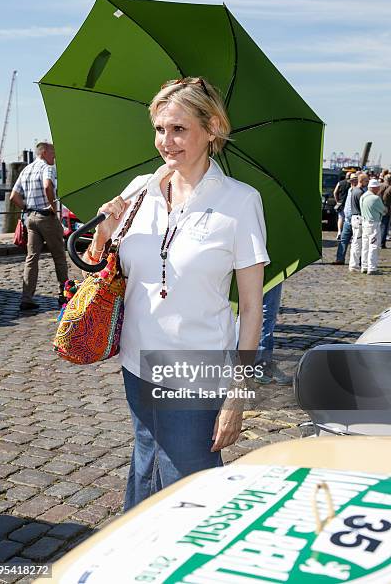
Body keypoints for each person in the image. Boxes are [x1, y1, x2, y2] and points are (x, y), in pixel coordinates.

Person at [82, 77, 270, 510]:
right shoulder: (137, 190)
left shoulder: (240, 202)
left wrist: (238, 397)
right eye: (160, 128)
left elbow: (253, 310)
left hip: (195, 367)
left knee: (191, 488)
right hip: (136, 361)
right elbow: (101, 267)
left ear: (213, 129)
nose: (167, 141)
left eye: (180, 129)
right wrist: (103, 234)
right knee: (145, 466)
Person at [10, 142, 68, 310]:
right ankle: (64, 295)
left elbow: (13, 196)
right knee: (59, 256)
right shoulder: (47, 167)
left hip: (31, 218)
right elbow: (47, 185)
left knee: (31, 258)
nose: (54, 156)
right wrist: (53, 207)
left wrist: (27, 208)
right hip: (46, 217)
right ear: (43, 152)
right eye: (52, 152)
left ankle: (26, 297)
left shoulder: (26, 170)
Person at [360, 178, 386, 274]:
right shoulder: (376, 198)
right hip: (373, 224)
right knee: (373, 246)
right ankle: (372, 268)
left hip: (365, 223)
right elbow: (383, 211)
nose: (379, 189)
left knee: (365, 246)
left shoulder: (363, 196)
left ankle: (364, 266)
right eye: (378, 187)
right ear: (374, 188)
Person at [332, 172, 359, 264]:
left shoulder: (359, 191)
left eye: (354, 180)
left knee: (357, 242)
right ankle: (340, 259)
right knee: (343, 240)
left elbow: (335, 192)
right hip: (347, 220)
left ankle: (357, 261)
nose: (352, 182)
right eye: (351, 180)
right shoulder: (350, 190)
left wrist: (337, 201)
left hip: (356, 219)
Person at [348, 172, 369, 272]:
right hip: (358, 218)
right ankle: (354, 265)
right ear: (361, 181)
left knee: (356, 242)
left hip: (354, 218)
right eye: (366, 181)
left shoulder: (354, 190)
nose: (367, 183)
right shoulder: (360, 192)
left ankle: (354, 264)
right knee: (357, 242)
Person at [333, 172, 351, 239]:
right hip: (349, 204)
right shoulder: (352, 184)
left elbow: (335, 192)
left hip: (341, 203)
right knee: (348, 219)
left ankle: (339, 232)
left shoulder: (340, 183)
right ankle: (346, 234)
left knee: (340, 218)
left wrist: (337, 201)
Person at [379, 174, 391, 248]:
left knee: (380, 225)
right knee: (384, 226)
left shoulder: (380, 185)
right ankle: (381, 243)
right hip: (386, 208)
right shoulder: (389, 187)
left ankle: (379, 242)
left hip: (378, 207)